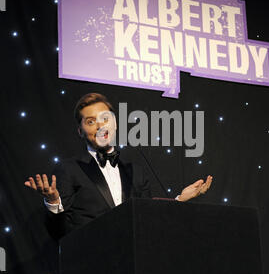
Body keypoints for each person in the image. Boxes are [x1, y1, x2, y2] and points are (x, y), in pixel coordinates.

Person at [24, 93, 213, 240]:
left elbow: (148, 218)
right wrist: (54, 202)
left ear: (115, 122)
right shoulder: (68, 169)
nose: (100, 126)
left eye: (105, 118)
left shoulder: (136, 171)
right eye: (90, 121)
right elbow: (59, 233)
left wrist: (179, 200)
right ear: (80, 131)